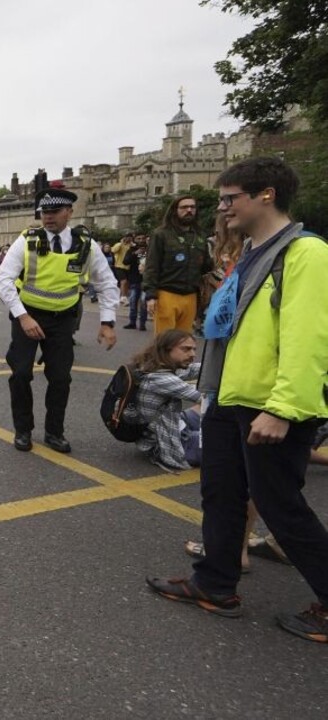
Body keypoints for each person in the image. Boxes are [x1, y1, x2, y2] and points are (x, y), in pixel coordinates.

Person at [147, 156, 328, 643]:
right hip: (228, 395)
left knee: (280, 506)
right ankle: (215, 584)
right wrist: (210, 394)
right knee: (221, 495)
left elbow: (308, 338)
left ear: (266, 194)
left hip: (268, 403)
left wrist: (283, 408)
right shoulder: (251, 250)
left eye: (231, 198)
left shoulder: (305, 254)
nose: (222, 208)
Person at [0, 189, 119, 453]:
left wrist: (108, 322)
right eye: (44, 213)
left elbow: (107, 283)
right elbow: (3, 281)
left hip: (63, 320)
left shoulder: (86, 244)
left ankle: (54, 432)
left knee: (61, 378)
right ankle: (23, 429)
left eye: (54, 212)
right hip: (28, 314)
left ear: (69, 213)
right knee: (20, 374)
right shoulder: (27, 240)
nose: (48, 218)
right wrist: (24, 317)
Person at [127, 330, 202, 471]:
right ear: (166, 350)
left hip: (171, 423)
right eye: (186, 349)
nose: (193, 354)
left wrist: (218, 364)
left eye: (193, 349)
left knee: (203, 413)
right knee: (231, 437)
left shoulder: (152, 366)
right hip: (173, 443)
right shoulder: (161, 379)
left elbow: (192, 370)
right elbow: (205, 400)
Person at [144, 195, 212, 334]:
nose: (189, 210)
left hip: (191, 296)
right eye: (184, 207)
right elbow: (152, 266)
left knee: (183, 340)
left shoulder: (200, 236)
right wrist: (151, 295)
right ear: (175, 210)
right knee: (165, 341)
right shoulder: (161, 234)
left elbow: (206, 266)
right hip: (167, 294)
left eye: (192, 207)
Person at [122, 234, 149, 330]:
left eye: (143, 238)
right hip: (134, 280)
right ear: (135, 240)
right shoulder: (132, 250)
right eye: (139, 238)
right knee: (133, 301)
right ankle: (132, 322)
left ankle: (142, 323)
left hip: (147, 280)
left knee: (143, 302)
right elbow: (125, 262)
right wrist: (135, 254)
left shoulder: (150, 249)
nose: (141, 240)